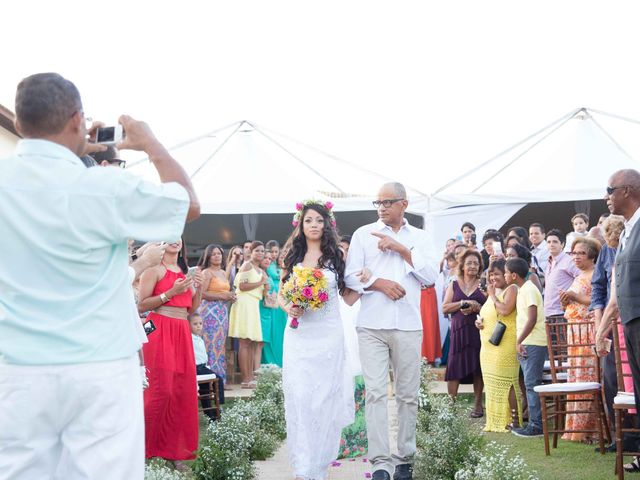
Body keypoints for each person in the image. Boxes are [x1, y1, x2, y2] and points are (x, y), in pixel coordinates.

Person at [0, 72, 199, 479]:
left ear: (20, 125)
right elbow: (188, 205)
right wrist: (149, 143)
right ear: (77, 120)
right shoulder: (102, 186)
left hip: (18, 365)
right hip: (100, 366)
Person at [346, 182, 438, 480]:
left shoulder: (420, 238)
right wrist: (378, 284)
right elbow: (349, 277)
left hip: (408, 325)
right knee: (375, 394)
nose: (382, 207)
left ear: (404, 204)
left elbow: (430, 277)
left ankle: (404, 459)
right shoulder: (363, 235)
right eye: (378, 202)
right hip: (372, 324)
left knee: (407, 395)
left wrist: (402, 250)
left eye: (388, 202)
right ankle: (381, 463)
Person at [279, 199, 354, 480]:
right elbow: (281, 295)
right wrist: (291, 307)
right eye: (309, 220)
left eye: (319, 221)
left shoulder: (336, 257)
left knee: (323, 400)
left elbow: (348, 295)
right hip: (299, 335)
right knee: (300, 397)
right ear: (301, 223)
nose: (314, 225)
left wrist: (369, 280)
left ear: (327, 224)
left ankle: (319, 466)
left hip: (328, 335)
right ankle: (302, 466)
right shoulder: (292, 256)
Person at [137, 238, 205, 467]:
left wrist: (200, 289)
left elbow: (190, 308)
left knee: (181, 390)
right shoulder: (153, 271)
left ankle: (174, 451)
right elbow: (141, 305)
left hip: (181, 330)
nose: (175, 240)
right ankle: (144, 449)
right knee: (159, 389)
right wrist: (170, 292)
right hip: (159, 329)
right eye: (169, 236)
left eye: (179, 236)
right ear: (161, 243)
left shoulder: (185, 272)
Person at [597, 170, 640, 423]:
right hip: (630, 321)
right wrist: (602, 329)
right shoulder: (625, 232)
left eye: (610, 190)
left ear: (627, 190)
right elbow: (616, 288)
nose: (606, 197)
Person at [559, 236, 601, 443]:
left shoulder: (596, 274)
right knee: (575, 377)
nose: (576, 257)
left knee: (588, 377)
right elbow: (571, 304)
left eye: (581, 253)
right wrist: (565, 300)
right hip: (574, 329)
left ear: (591, 255)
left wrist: (574, 298)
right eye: (574, 253)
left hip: (588, 330)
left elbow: (596, 301)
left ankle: (590, 429)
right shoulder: (578, 275)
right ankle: (576, 427)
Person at [476, 259, 521, 432]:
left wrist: (492, 295)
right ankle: (496, 420)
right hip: (488, 345)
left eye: (497, 274)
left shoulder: (512, 289)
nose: (493, 278)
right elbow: (490, 314)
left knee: (507, 381)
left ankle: (515, 420)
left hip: (506, 343)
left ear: (507, 274)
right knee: (492, 382)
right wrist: (480, 324)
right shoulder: (494, 291)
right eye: (491, 274)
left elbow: (504, 310)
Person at [591, 215, 624, 448]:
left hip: (629, 320)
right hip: (610, 323)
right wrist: (598, 323)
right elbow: (598, 288)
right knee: (611, 379)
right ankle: (619, 436)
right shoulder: (606, 252)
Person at [442, 248, 486, 417]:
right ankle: (450, 405)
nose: (473, 266)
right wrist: (463, 303)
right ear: (462, 265)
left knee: (477, 367)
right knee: (454, 366)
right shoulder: (454, 284)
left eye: (476, 263)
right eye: (469, 263)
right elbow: (444, 308)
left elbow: (492, 307)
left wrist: (477, 306)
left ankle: (478, 405)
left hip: (478, 329)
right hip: (458, 331)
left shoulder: (483, 284)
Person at [507, 258, 547, 438]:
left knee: (532, 384)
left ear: (514, 275)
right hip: (527, 342)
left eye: (506, 272)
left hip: (533, 342)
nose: (505, 275)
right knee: (530, 384)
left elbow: (532, 318)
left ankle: (536, 425)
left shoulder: (529, 289)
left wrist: (519, 340)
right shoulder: (523, 289)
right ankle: (534, 423)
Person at [229, 241, 268, 388]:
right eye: (257, 250)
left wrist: (265, 287)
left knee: (252, 342)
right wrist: (260, 283)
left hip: (254, 305)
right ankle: (245, 379)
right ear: (251, 252)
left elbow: (263, 293)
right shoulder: (247, 265)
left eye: (262, 251)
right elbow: (242, 286)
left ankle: (251, 376)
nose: (260, 253)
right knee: (244, 342)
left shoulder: (261, 271)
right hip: (244, 303)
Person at [197, 244, 235, 392]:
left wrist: (230, 297)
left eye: (219, 253)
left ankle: (220, 381)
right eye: (213, 254)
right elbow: (202, 294)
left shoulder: (223, 272)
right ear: (208, 256)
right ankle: (210, 382)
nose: (217, 256)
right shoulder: (207, 273)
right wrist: (221, 296)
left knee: (220, 345)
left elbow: (224, 292)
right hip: (209, 311)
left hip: (221, 311)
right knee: (210, 345)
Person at [544, 228, 581, 325]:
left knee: (563, 340)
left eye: (555, 242)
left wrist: (571, 296)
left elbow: (582, 278)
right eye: (548, 242)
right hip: (549, 313)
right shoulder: (548, 263)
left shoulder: (569, 261)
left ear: (562, 244)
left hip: (562, 312)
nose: (551, 244)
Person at [262, 240, 288, 366]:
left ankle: (280, 361)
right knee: (272, 331)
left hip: (282, 301)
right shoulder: (268, 265)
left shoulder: (280, 265)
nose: (273, 254)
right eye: (271, 251)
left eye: (276, 251)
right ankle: (270, 361)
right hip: (271, 302)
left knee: (281, 331)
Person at [190, 313, 218, 421]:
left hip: (203, 367)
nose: (198, 326)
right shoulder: (190, 338)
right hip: (197, 368)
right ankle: (215, 408)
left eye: (200, 324)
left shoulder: (199, 339)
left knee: (205, 390)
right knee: (217, 379)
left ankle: (210, 413)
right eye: (195, 324)